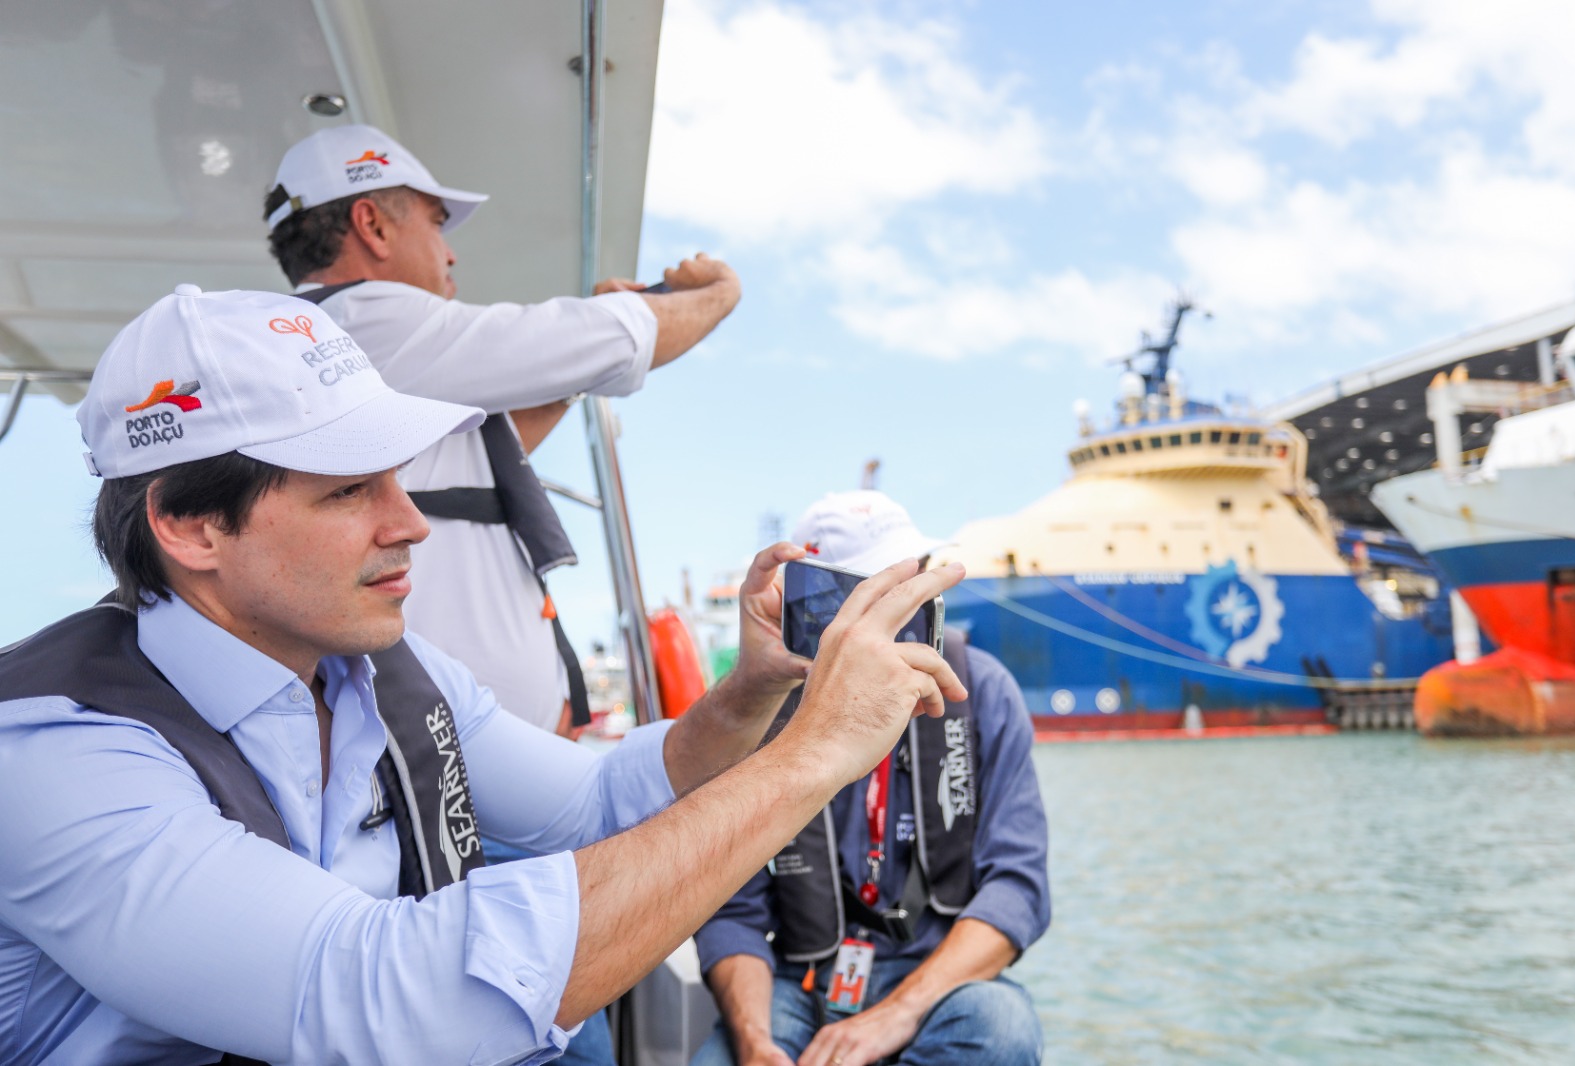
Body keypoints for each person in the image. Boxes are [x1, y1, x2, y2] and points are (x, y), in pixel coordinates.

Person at [0, 288, 967, 1065]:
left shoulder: (382, 671)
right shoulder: (55, 749)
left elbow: (602, 801)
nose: (410, 520)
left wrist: (757, 690)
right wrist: (816, 753)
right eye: (349, 489)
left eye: (399, 472)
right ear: (190, 525)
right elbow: (369, 1002)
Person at [262, 123, 742, 740]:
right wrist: (718, 294)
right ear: (372, 225)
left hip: (459, 751)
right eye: (436, 224)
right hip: (443, 760)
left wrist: (582, 360)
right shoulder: (364, 320)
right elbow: (606, 339)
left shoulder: (346, 346)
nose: (451, 251)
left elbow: (490, 451)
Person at [691, 491, 1050, 1066]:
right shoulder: (761, 714)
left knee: (1002, 1027)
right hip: (799, 981)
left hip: (937, 981)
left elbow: (1017, 887)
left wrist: (895, 1015)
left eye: (912, 578)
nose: (904, 604)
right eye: (873, 589)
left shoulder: (984, 691)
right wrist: (756, 1043)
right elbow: (731, 910)